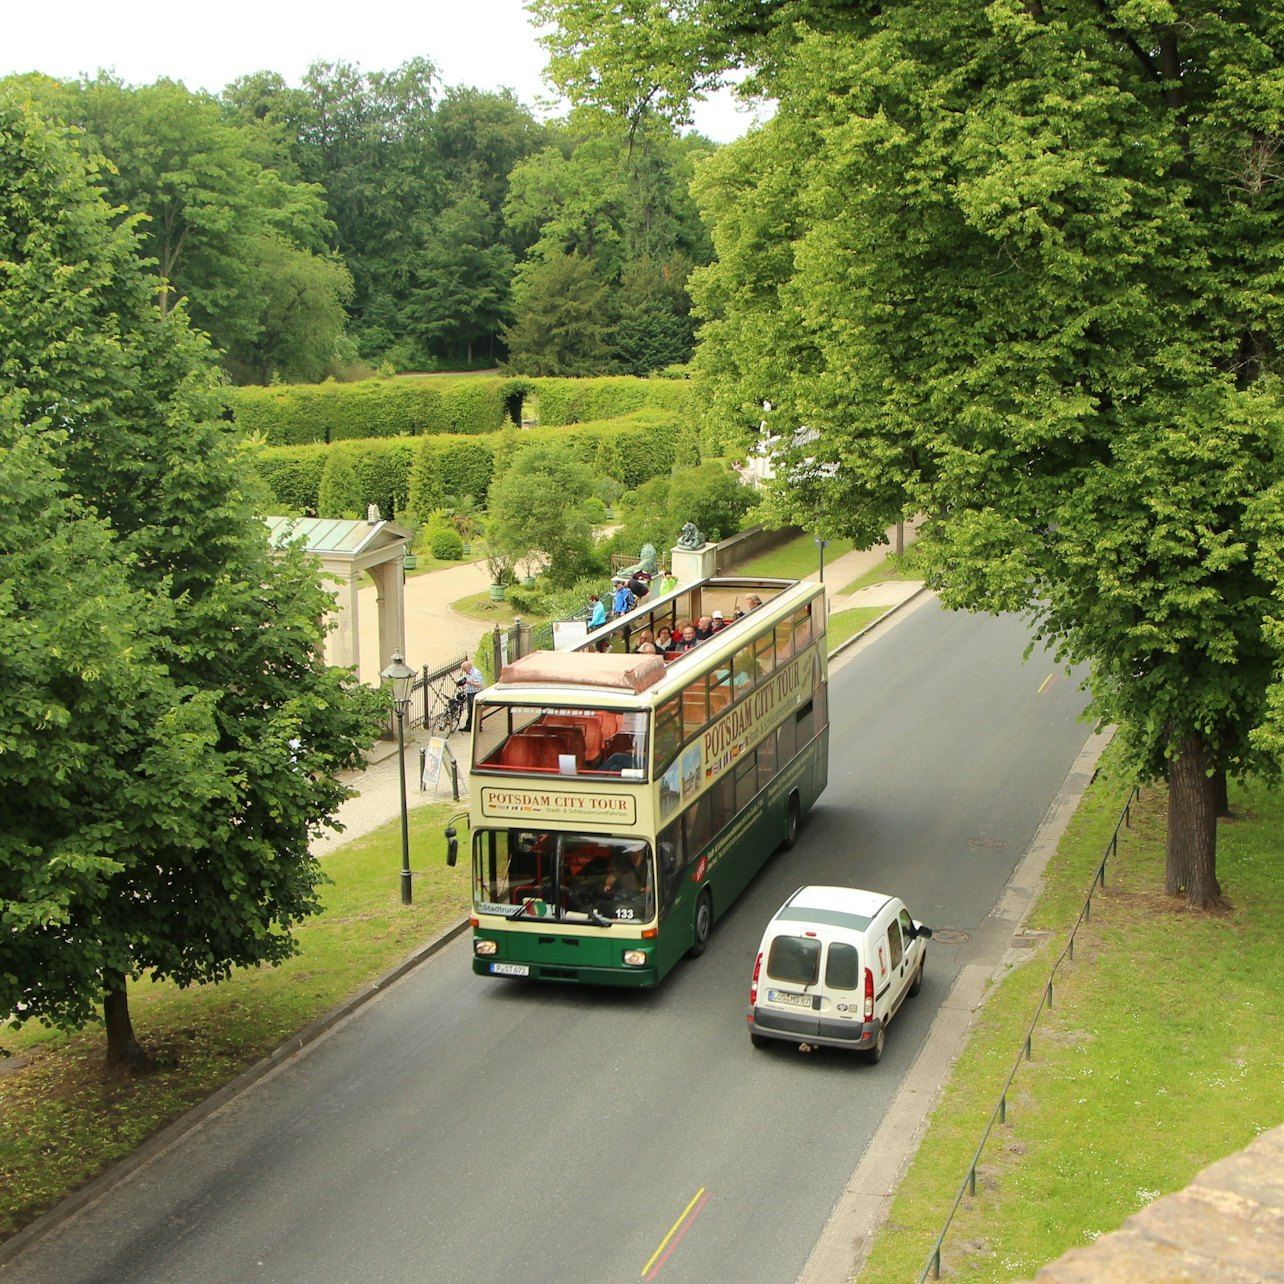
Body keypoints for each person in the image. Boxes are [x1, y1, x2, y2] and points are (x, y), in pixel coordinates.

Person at [457, 659, 484, 731]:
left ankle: (477, 727)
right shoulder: (469, 673)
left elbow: (480, 685)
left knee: (476, 710)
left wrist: (470, 682)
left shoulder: (476, 673)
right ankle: (469, 726)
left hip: (475, 694)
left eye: (464, 669)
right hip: (470, 693)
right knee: (470, 711)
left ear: (468, 667)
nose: (464, 671)